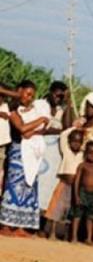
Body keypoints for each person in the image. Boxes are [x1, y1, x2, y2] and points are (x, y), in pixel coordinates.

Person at [0, 80, 50, 237]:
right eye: (27, 94)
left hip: (30, 154)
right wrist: (41, 119)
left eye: (32, 96)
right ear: (19, 91)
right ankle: (7, 224)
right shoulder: (13, 107)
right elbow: (22, 129)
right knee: (13, 188)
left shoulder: (31, 110)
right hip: (17, 151)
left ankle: (21, 225)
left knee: (28, 188)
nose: (29, 98)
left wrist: (35, 128)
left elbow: (31, 132)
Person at [44, 128, 84, 240]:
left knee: (71, 209)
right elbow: (63, 135)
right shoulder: (66, 151)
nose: (76, 144)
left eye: (79, 141)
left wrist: (84, 132)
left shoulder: (82, 155)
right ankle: (52, 232)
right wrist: (75, 127)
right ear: (69, 141)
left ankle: (67, 235)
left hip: (76, 186)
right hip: (64, 183)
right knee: (57, 207)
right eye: (73, 141)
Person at [71, 141, 93, 245]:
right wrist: (76, 195)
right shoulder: (82, 165)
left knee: (91, 217)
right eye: (90, 153)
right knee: (77, 215)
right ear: (86, 153)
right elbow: (77, 181)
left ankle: (89, 238)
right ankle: (74, 237)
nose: (92, 155)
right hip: (83, 192)